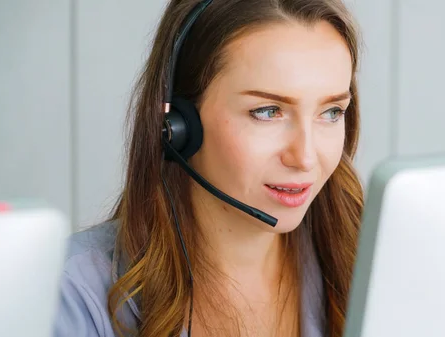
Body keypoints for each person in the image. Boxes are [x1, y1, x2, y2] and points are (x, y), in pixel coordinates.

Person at [53, 0, 364, 336]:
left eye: (331, 112)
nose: (305, 158)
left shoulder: (369, 259)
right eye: (267, 111)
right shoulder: (70, 294)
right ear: (177, 126)